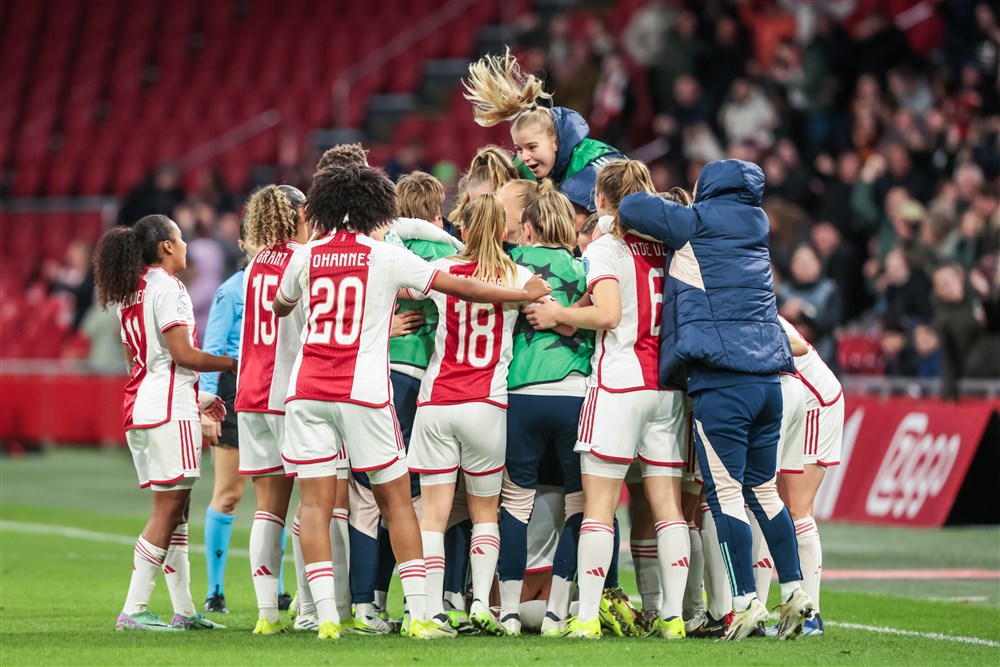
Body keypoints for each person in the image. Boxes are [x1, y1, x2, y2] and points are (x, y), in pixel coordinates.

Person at [271, 165, 550, 640]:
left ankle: (326, 617)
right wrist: (517, 293)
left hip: (308, 390)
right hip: (362, 391)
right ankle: (421, 613)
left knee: (315, 505)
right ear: (375, 208)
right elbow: (462, 286)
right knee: (398, 501)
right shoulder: (384, 256)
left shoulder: (307, 255)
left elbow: (280, 305)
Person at [616, 158, 813, 641]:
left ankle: (745, 601)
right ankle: (794, 590)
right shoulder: (756, 224)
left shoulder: (697, 222)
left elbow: (631, 205)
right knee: (764, 492)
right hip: (769, 379)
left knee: (725, 495)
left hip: (721, 380)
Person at [525, 161, 690, 640]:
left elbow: (611, 313)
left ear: (601, 199)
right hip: (666, 389)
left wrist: (558, 312)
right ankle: (674, 618)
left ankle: (589, 617)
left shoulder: (606, 248)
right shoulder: (668, 247)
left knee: (598, 507)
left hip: (619, 384)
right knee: (667, 508)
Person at [93, 214, 235, 632]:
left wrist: (200, 396)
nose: (187, 245)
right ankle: (134, 609)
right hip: (169, 408)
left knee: (178, 509)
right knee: (167, 508)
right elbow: (184, 354)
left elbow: (140, 361)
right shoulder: (170, 287)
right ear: (167, 247)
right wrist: (233, 364)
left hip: (143, 403)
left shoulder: (129, 292)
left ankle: (185, 610)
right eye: (181, 237)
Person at [407, 192, 537, 635]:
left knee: (433, 516)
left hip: (438, 401)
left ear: (461, 229)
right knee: (485, 512)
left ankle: (429, 610)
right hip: (486, 403)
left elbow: (402, 289)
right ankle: (481, 604)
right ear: (504, 231)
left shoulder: (440, 270)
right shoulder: (518, 275)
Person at [491, 182, 594, 636]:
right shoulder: (588, 267)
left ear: (528, 227)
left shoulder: (512, 267)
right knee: (580, 506)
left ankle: (509, 612)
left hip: (522, 394)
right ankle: (556, 612)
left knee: (514, 504)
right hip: (575, 393)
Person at [234, 184, 313, 635]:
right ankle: (308, 605)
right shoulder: (301, 261)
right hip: (289, 391)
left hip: (251, 393)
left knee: (268, 508)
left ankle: (267, 614)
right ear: (298, 215)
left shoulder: (252, 267)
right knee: (317, 501)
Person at [464, 48, 624, 215]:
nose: (524, 157)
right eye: (519, 149)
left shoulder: (597, 165)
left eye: (532, 147)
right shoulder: (521, 168)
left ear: (555, 142)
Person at [201, 222, 255, 615]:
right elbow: (213, 348)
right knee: (230, 493)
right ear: (242, 242)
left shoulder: (294, 281)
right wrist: (206, 403)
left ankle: (281, 588)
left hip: (280, 391)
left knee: (279, 498)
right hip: (236, 393)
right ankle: (215, 589)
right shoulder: (231, 291)